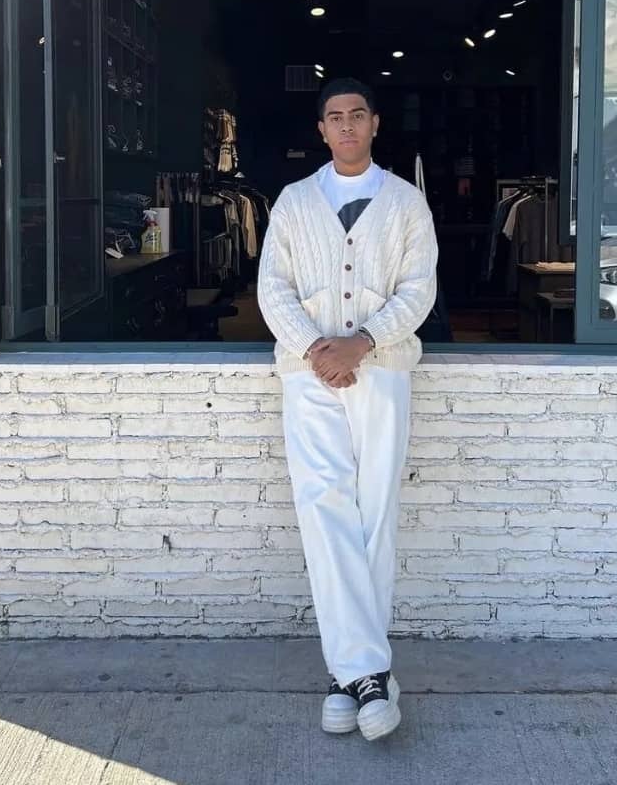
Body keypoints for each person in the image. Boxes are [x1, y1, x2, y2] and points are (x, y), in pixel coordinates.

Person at [257, 77, 439, 742]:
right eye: (334, 117)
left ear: (375, 123)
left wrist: (362, 343)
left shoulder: (406, 202)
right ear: (321, 130)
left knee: (374, 511)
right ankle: (368, 674)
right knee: (322, 508)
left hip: (382, 370)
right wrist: (317, 349)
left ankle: (348, 676)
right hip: (309, 376)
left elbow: (418, 290)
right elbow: (272, 288)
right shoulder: (294, 201)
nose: (346, 126)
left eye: (357, 115)